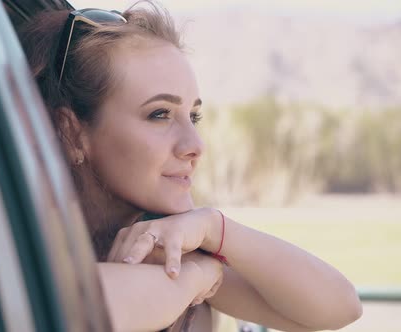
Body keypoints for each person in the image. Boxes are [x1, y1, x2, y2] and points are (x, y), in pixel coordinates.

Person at [19, 2, 362, 331]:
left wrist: (214, 227)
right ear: (71, 133)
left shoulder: (166, 241)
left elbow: (340, 307)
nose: (195, 146)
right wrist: (198, 277)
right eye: (159, 114)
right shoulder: (12, 234)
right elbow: (67, 307)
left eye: (193, 116)